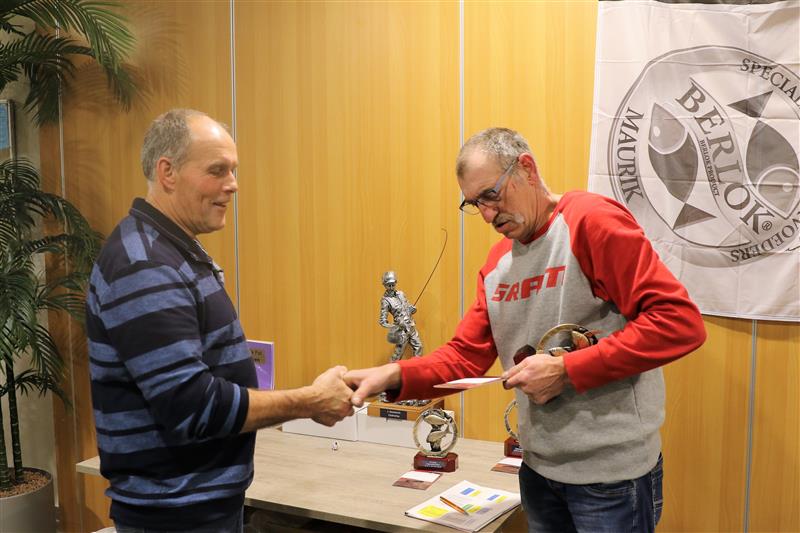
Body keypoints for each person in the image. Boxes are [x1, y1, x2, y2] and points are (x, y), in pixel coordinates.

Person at [346, 127, 707, 533]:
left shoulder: (590, 221)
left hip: (610, 480)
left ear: (527, 169)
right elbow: (464, 356)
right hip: (538, 472)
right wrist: (393, 375)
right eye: (474, 204)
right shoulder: (498, 263)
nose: (487, 215)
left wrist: (567, 370)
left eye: (491, 195)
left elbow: (678, 322)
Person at [86, 109, 354, 533]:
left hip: (196, 506)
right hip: (175, 515)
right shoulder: (145, 265)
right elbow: (193, 406)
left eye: (233, 170)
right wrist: (310, 401)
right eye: (217, 170)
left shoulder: (170, 250)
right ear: (167, 172)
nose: (232, 184)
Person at [379, 270, 423, 361]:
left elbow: (407, 306)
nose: (391, 287)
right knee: (397, 355)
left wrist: (412, 309)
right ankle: (391, 369)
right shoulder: (385, 301)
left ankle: (417, 367)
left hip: (411, 326)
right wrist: (395, 327)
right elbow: (382, 321)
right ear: (384, 285)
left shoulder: (401, 294)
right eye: (388, 285)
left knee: (419, 347)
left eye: (393, 284)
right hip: (401, 331)